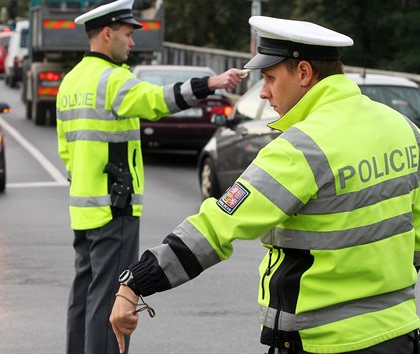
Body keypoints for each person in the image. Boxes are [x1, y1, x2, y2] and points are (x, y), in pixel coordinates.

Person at [110, 15, 420, 354]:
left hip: (322, 340)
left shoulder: (302, 148)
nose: (265, 93)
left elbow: (217, 227)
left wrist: (135, 283)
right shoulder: (403, 127)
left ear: (304, 73)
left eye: (270, 78)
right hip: (398, 334)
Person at [56, 1, 245, 353]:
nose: (132, 43)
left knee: (84, 292)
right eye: (127, 35)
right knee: (113, 297)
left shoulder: (71, 81)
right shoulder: (113, 79)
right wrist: (212, 83)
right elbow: (159, 100)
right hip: (115, 205)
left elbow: (66, 149)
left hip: (83, 207)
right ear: (108, 33)